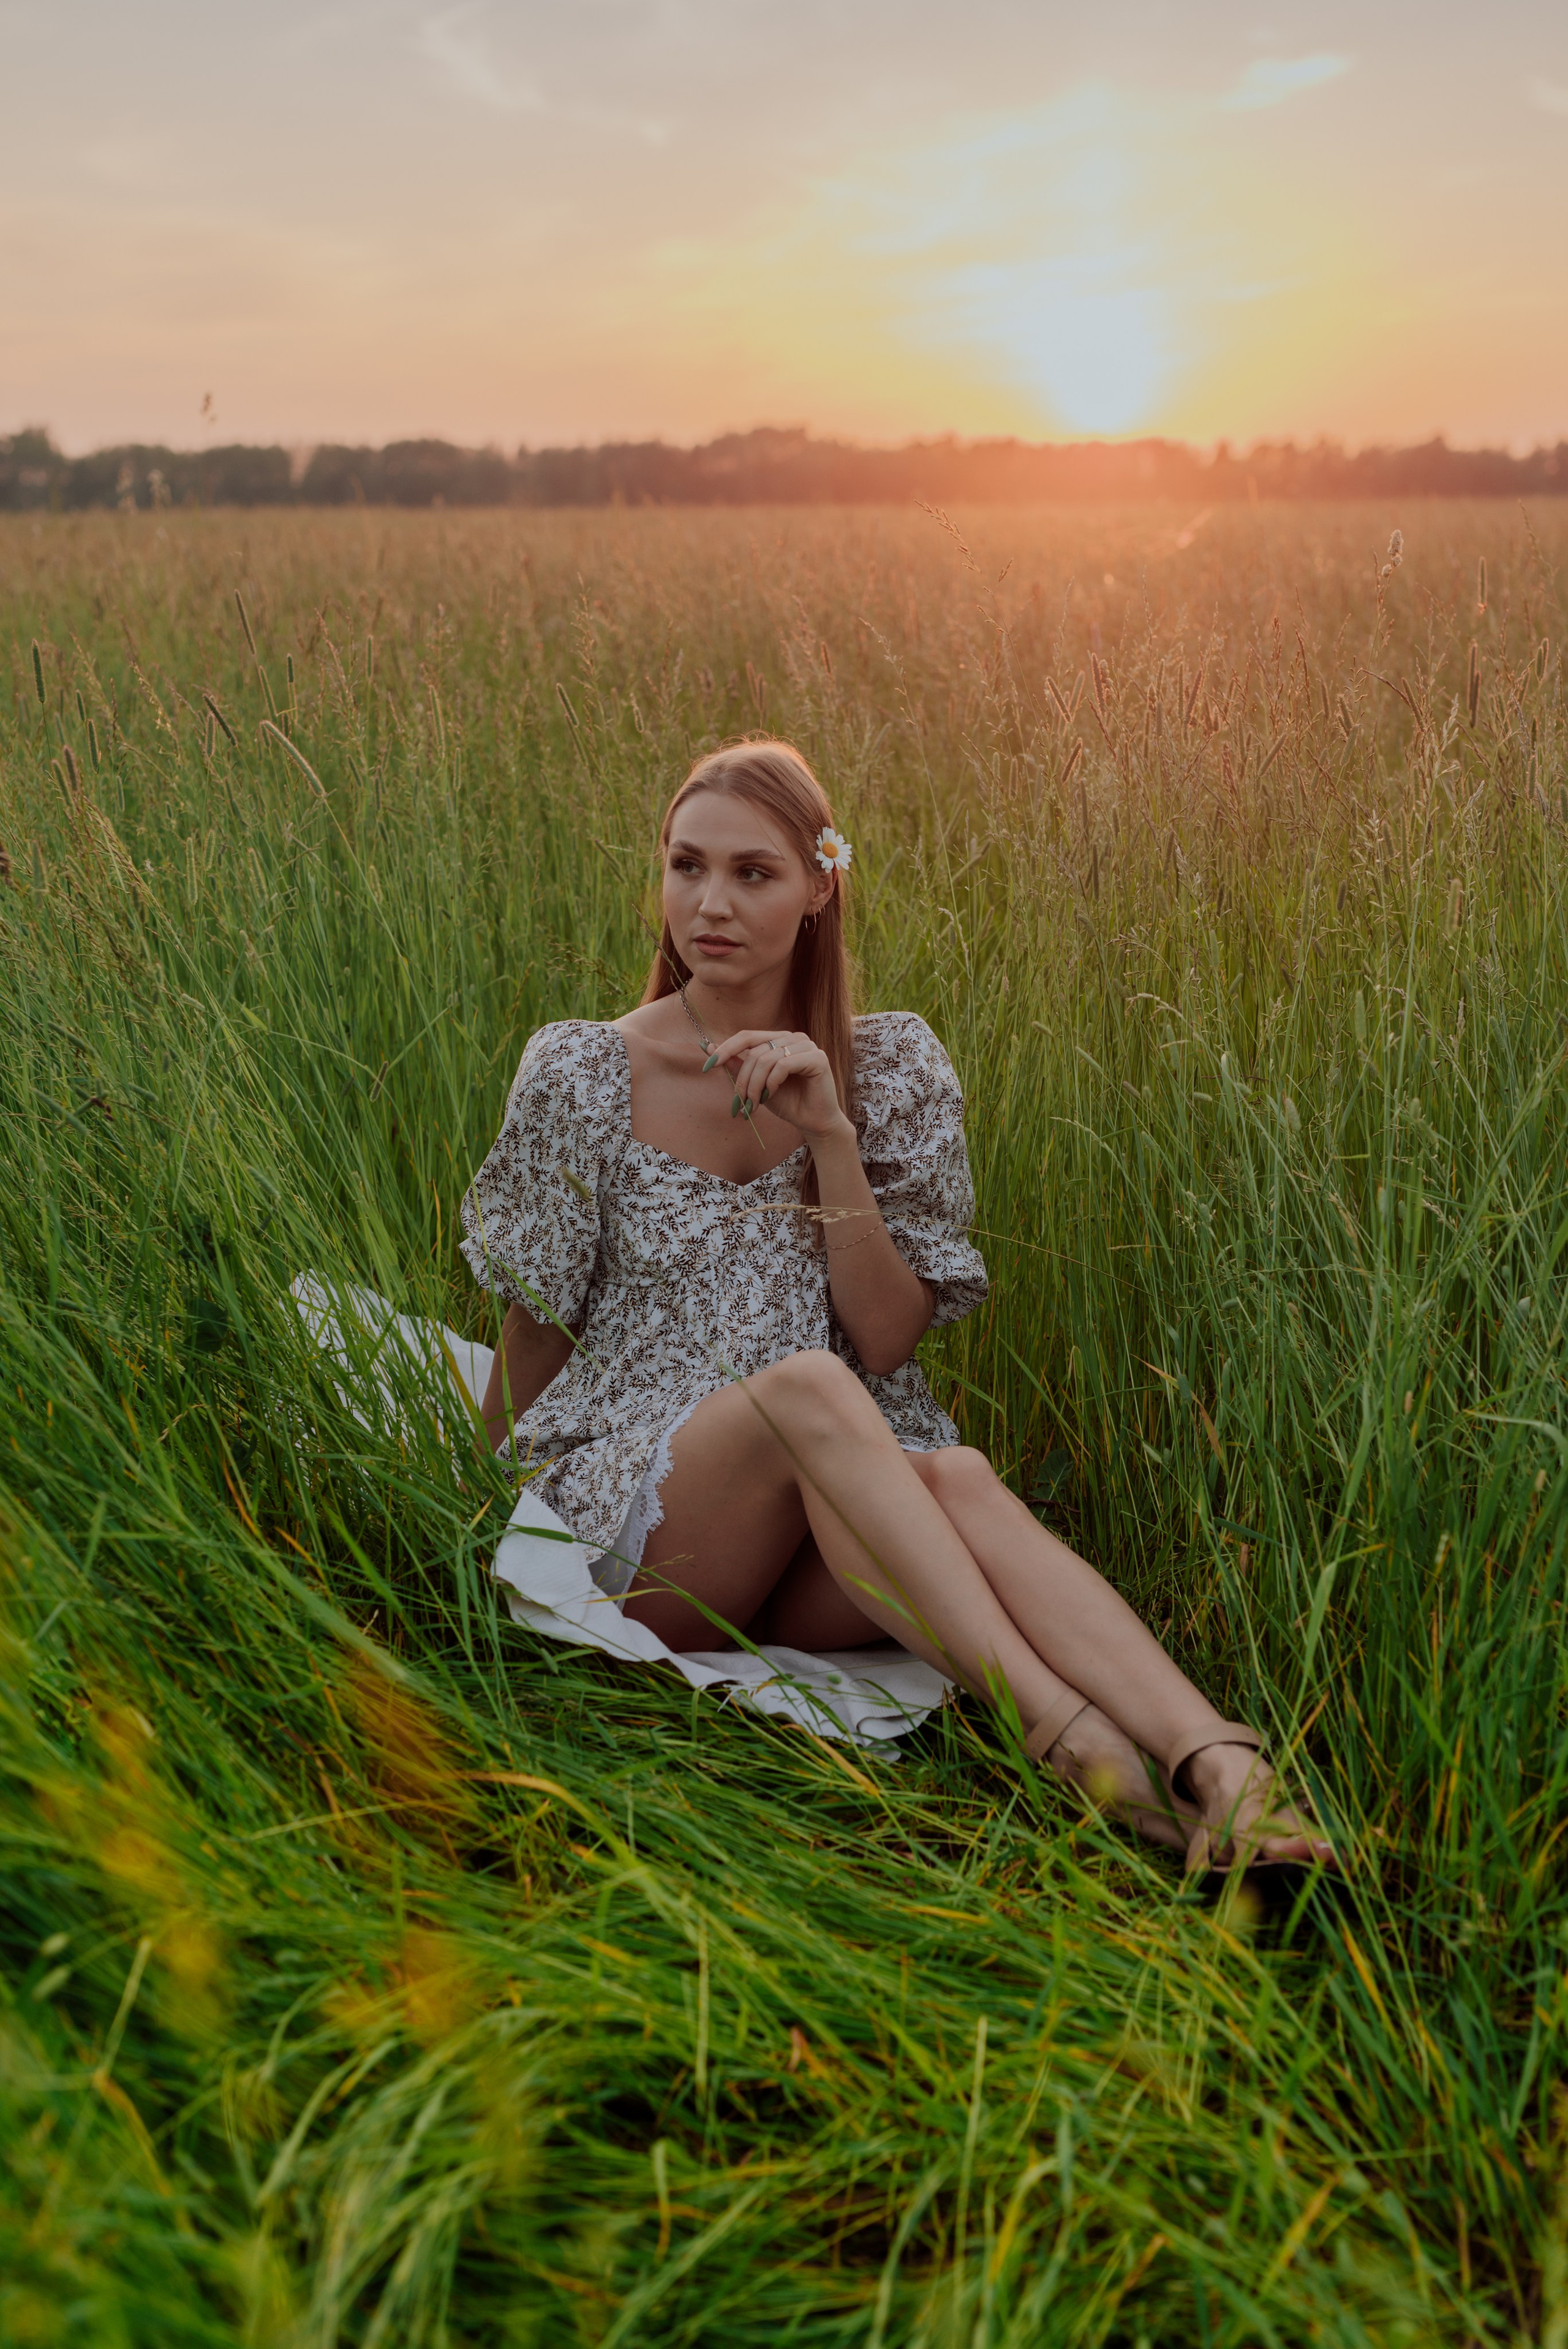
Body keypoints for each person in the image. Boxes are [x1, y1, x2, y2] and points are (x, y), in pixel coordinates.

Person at [461, 739, 1336, 1887]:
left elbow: (886, 1342)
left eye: (754, 873)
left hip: (832, 1520)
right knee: (812, 1392)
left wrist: (832, 1140)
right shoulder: (580, 1071)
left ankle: (1221, 1777)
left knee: (956, 1472)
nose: (709, 904)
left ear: (822, 886)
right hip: (652, 1523)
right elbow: (534, 1334)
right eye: (686, 866)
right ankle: (1074, 1748)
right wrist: (474, 1521)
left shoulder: (891, 1068)